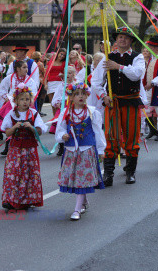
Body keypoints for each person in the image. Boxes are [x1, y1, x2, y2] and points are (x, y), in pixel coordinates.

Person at [92, 26, 145, 185]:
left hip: (131, 101)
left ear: (131, 41)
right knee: (111, 136)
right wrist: (103, 95)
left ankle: (130, 172)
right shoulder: (107, 57)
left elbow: (137, 74)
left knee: (131, 136)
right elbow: (95, 81)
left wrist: (119, 67)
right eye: (120, 37)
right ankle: (108, 174)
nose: (122, 39)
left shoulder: (138, 57)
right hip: (113, 102)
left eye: (126, 37)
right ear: (116, 39)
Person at [55, 83, 106, 221]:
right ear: (71, 97)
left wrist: (101, 149)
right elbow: (59, 130)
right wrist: (63, 136)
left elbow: (98, 132)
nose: (81, 96)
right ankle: (83, 201)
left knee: (82, 179)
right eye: (77, 94)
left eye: (83, 93)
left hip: (86, 149)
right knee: (76, 178)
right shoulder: (66, 113)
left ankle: (77, 209)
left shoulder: (92, 112)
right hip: (72, 150)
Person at [0, 84, 47, 210]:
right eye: (22, 99)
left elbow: (40, 130)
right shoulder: (11, 114)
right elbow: (7, 132)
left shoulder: (34, 113)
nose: (25, 102)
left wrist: (31, 127)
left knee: (28, 174)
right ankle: (10, 199)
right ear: (16, 101)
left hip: (30, 149)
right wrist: (15, 127)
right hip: (15, 150)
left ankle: (26, 200)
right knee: (13, 174)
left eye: (27, 99)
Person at [0, 60, 39, 156]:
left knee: (25, 124)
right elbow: (1, 90)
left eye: (27, 67)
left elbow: (34, 93)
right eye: (24, 67)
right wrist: (6, 99)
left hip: (25, 106)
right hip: (11, 104)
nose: (27, 70)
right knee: (11, 124)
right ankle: (8, 145)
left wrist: (27, 100)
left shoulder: (30, 80)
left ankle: (27, 144)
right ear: (18, 69)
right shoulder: (9, 78)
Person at [50, 65, 77, 156]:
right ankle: (61, 146)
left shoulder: (76, 85)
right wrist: (57, 103)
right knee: (61, 125)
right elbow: (55, 98)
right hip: (62, 108)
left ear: (74, 74)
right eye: (66, 73)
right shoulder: (61, 86)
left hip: (73, 107)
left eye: (70, 73)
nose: (68, 75)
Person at [46, 48, 67, 115]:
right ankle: (54, 118)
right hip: (50, 83)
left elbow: (67, 73)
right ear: (58, 53)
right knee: (52, 103)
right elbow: (46, 73)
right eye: (61, 54)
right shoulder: (50, 62)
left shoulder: (64, 63)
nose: (62, 56)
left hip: (59, 83)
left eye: (64, 55)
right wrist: (45, 84)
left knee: (58, 102)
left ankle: (58, 117)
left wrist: (63, 74)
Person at [31, 51, 47, 116]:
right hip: (41, 81)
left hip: (35, 81)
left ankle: (38, 110)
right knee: (41, 96)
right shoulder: (40, 64)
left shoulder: (32, 63)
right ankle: (39, 110)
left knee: (37, 96)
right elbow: (44, 72)